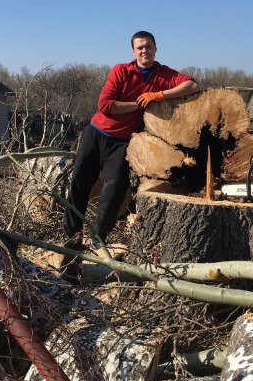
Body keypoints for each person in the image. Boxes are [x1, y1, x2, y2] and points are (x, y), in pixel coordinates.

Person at [63, 30, 200, 249]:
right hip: (97, 133)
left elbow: (192, 85)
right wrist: (140, 104)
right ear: (133, 51)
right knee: (80, 181)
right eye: (140, 47)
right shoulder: (122, 71)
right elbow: (105, 105)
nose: (144, 50)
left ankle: (98, 241)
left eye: (148, 46)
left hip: (122, 143)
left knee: (115, 189)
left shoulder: (163, 74)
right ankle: (71, 237)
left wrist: (158, 95)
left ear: (156, 48)